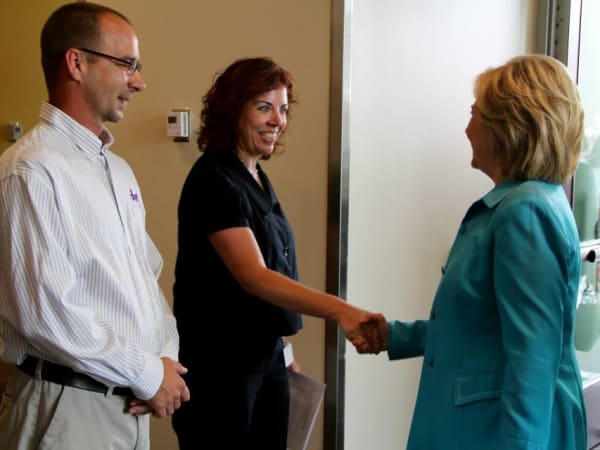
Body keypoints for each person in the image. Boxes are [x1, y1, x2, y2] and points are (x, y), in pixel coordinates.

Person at [364, 54, 587, 449]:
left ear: (509, 125)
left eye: (475, 113)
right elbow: (482, 327)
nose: (467, 128)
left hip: (496, 432)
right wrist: (394, 336)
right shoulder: (525, 203)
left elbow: (532, 360)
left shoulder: (525, 212)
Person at [171, 56, 386, 449]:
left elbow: (274, 265)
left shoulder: (255, 175)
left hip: (263, 356)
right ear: (233, 111)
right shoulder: (213, 179)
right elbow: (254, 275)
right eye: (264, 107)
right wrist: (340, 310)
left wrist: (281, 350)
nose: (277, 120)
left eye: (283, 109)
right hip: (222, 366)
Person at [0, 3, 189, 450]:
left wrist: (164, 358)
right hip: (67, 407)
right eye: (127, 64)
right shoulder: (31, 170)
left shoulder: (118, 171)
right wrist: (148, 373)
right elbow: (44, 313)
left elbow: (146, 278)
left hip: (129, 402)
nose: (139, 82)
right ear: (76, 62)